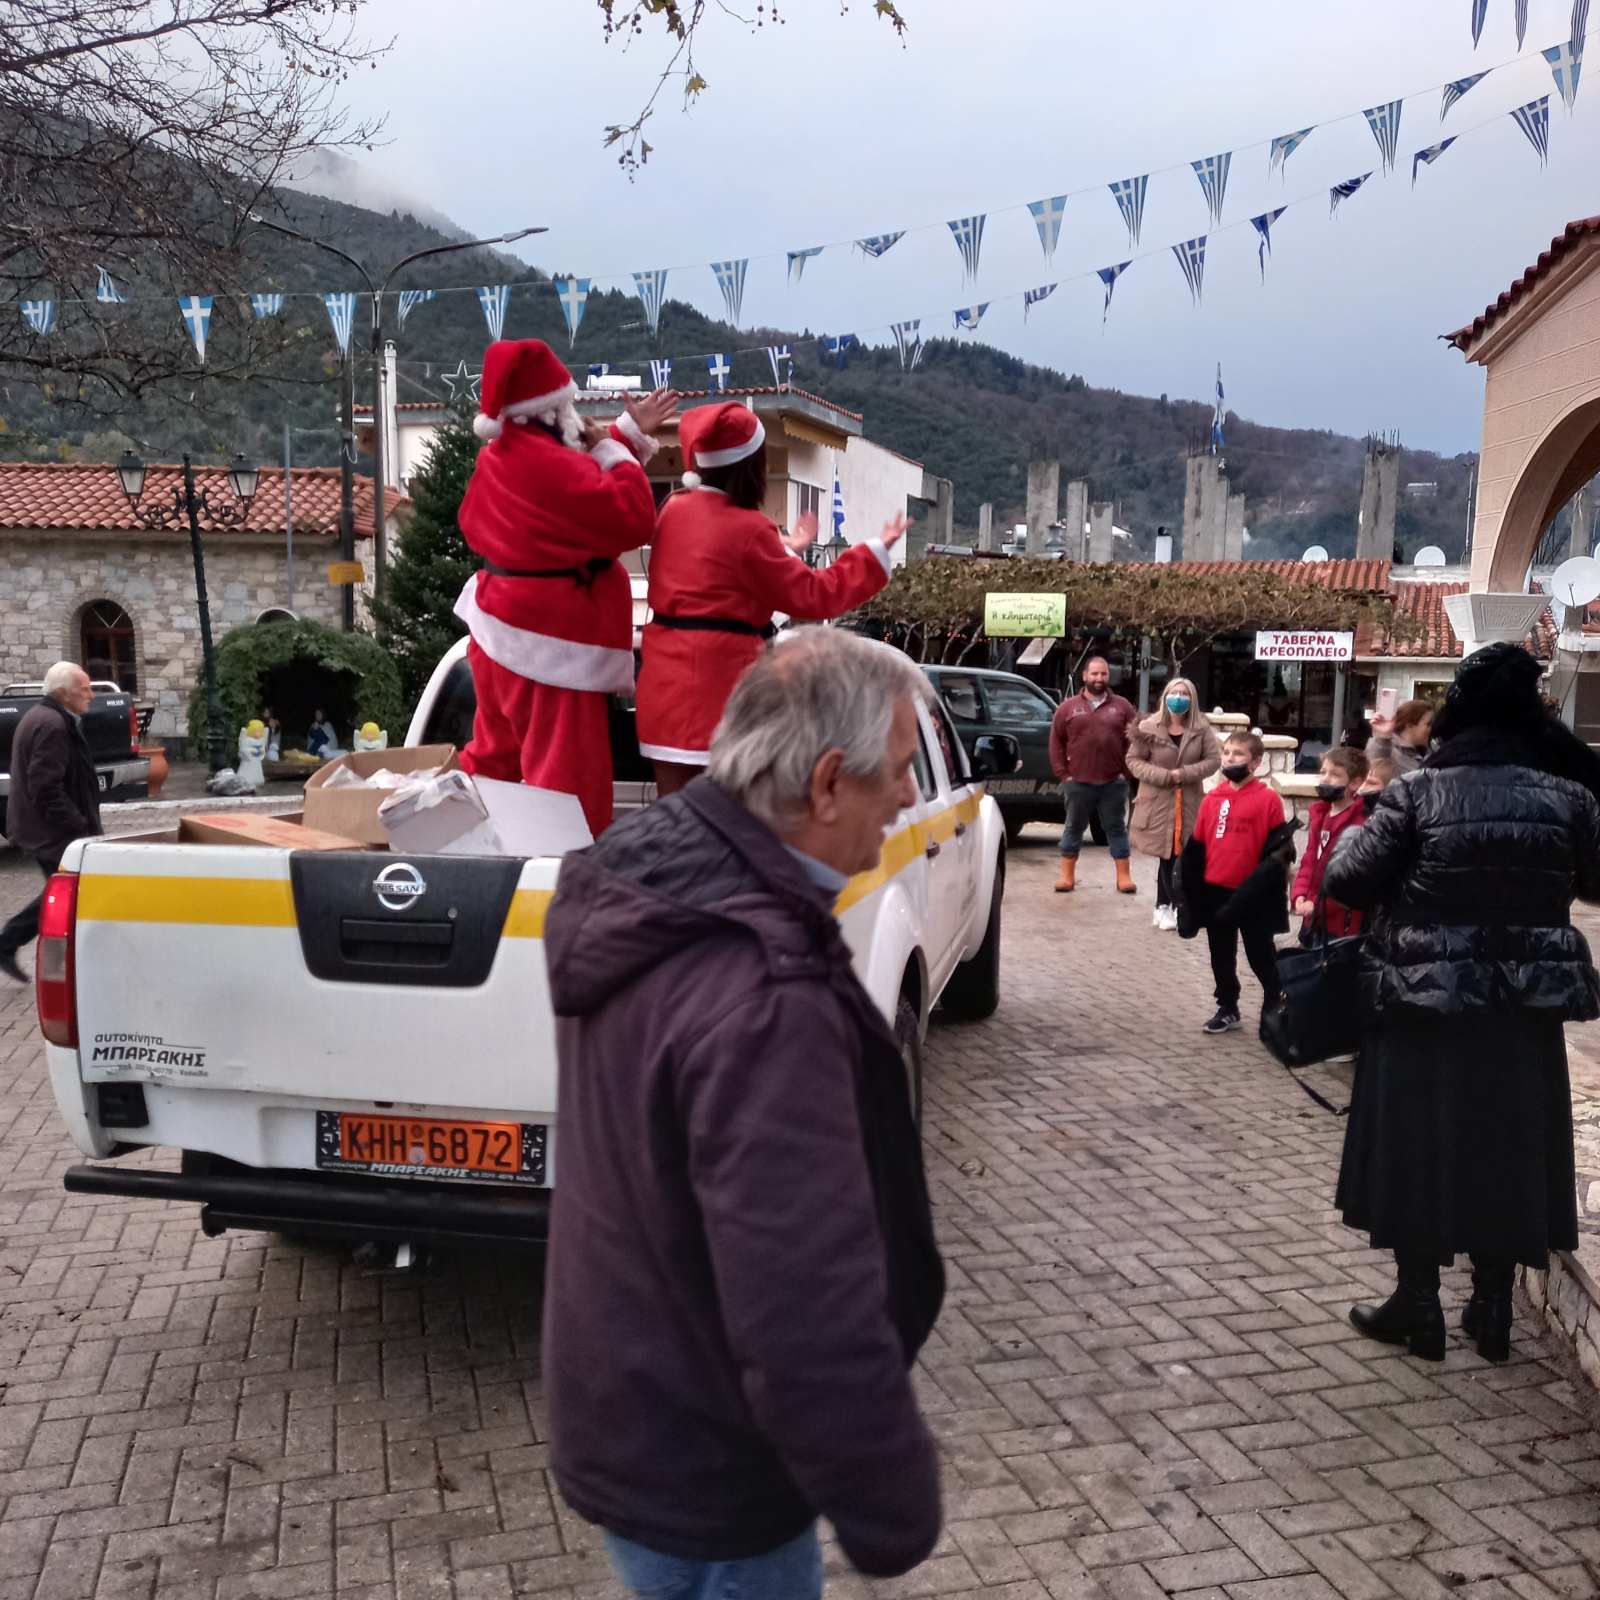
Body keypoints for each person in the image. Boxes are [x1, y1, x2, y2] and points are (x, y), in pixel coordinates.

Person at [542, 627, 944, 1597]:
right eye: (896, 771)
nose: (907, 797)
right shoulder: (763, 993)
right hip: (715, 1459)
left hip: (631, 1403)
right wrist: (891, 1503)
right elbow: (802, 1291)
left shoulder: (644, 874)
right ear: (824, 784)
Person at [1327, 643, 1600, 1364]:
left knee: (1415, 1148)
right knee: (1505, 1146)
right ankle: (1492, 1308)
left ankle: (1418, 1308)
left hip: (1423, 1003)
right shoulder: (1570, 797)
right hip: (1522, 1008)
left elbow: (1347, 881)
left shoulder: (1416, 793)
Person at [453, 338, 676, 837]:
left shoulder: (499, 458)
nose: (574, 414)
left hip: (494, 634)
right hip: (548, 650)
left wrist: (625, 433)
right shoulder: (550, 466)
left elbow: (574, 480)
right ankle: (562, 890)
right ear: (551, 409)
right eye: (567, 404)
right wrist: (612, 446)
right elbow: (630, 516)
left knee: (494, 762)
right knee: (568, 788)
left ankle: (453, 850)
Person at [635, 401, 905, 796]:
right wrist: (875, 553)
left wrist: (784, 546)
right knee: (732, 830)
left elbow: (716, 557)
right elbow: (816, 595)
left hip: (663, 693)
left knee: (676, 822)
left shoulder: (673, 510)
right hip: (721, 698)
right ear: (752, 467)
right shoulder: (749, 530)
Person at [1178, 730, 1295, 1035]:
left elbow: (1277, 849)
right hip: (1216, 889)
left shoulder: (1268, 799)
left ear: (1256, 762)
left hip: (1252, 893)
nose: (1230, 758)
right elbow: (1198, 847)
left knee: (1260, 953)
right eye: (1227, 752)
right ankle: (1227, 1006)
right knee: (1221, 954)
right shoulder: (1212, 799)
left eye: (1238, 754)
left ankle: (1275, 1004)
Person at [0, 663, 101, 984]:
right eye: (84, 688)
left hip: (43, 828)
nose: (91, 694)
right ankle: (8, 943)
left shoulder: (47, 718)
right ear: (63, 692)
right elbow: (45, 787)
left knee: (64, 892)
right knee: (68, 893)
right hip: (50, 831)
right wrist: (78, 823)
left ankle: (11, 943)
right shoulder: (53, 725)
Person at [1125, 677, 1222, 931]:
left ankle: (1165, 905)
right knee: (1167, 856)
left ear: (1192, 699)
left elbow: (1213, 760)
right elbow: (1134, 761)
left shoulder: (1201, 729)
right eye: (1174, 692)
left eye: (1184, 693)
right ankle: (1172, 907)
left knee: (1181, 855)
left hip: (1188, 803)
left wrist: (1186, 774)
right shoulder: (1148, 727)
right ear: (1165, 696)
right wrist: (1164, 776)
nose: (1178, 698)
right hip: (1157, 802)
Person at [1048, 656, 1139, 894]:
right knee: (1073, 828)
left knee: (1117, 829)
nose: (1099, 679)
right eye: (1095, 674)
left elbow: (1136, 742)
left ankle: (1123, 877)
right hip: (1077, 782)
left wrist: (1126, 773)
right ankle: (1067, 876)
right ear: (1085, 676)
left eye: (1104, 674)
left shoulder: (1123, 707)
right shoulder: (1067, 708)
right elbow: (1056, 742)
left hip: (1113, 782)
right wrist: (1064, 775)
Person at [1291, 747, 1370, 940]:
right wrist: (1300, 893)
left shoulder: (1361, 823)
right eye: (1323, 772)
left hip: (1342, 924)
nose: (1325, 779)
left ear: (1355, 783)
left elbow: (1351, 879)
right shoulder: (1320, 815)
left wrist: (1318, 904)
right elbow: (1309, 860)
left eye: (1335, 775)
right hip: (1313, 918)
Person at [1366, 697, 1433, 775]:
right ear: (1410, 725)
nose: (1432, 728)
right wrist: (1383, 736)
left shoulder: (1428, 751)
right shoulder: (1388, 750)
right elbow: (1374, 768)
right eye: (1428, 724)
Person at [236, 720, 268, 788]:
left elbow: (263, 748)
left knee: (257, 770)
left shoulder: (261, 740)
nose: (258, 733)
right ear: (252, 731)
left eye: (260, 731)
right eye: (257, 731)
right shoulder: (247, 740)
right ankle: (246, 779)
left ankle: (257, 779)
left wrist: (262, 751)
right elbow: (243, 749)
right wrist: (251, 750)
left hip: (256, 761)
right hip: (249, 761)